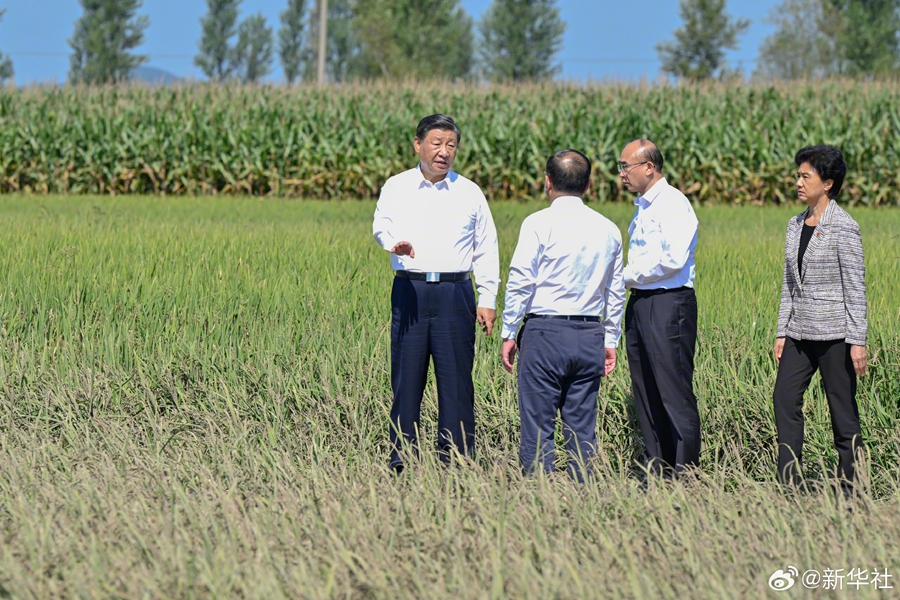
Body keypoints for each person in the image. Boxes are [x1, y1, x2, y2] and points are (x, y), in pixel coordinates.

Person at [372, 114, 500, 472]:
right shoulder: (397, 186)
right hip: (410, 291)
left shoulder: (469, 191)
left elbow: (486, 246)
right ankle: (402, 459)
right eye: (436, 143)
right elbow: (381, 224)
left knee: (456, 380)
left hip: (455, 292)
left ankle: (456, 460)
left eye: (451, 145)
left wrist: (487, 298)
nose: (444, 152)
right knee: (406, 379)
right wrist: (392, 244)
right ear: (418, 144)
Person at [500, 149, 625, 480]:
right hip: (589, 336)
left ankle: (539, 500)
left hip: (544, 334)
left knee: (538, 426)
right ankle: (583, 498)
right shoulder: (609, 229)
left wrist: (509, 331)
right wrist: (611, 338)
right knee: (582, 428)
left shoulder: (538, 223)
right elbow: (615, 290)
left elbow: (521, 280)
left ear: (547, 182)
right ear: (589, 185)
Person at [773, 144, 867, 492]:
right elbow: (788, 283)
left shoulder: (845, 227)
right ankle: (790, 485)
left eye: (805, 176)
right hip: (799, 333)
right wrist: (782, 330)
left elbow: (855, 287)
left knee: (842, 413)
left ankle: (851, 488)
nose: (798, 181)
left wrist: (857, 340)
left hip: (835, 337)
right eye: (798, 175)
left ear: (827, 183)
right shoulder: (795, 224)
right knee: (784, 399)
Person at [618, 139, 700, 478]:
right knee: (646, 391)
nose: (621, 174)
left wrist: (626, 275)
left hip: (668, 304)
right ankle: (658, 471)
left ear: (649, 167)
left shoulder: (672, 203)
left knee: (673, 391)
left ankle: (686, 474)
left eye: (626, 166)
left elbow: (673, 259)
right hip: (640, 303)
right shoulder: (644, 207)